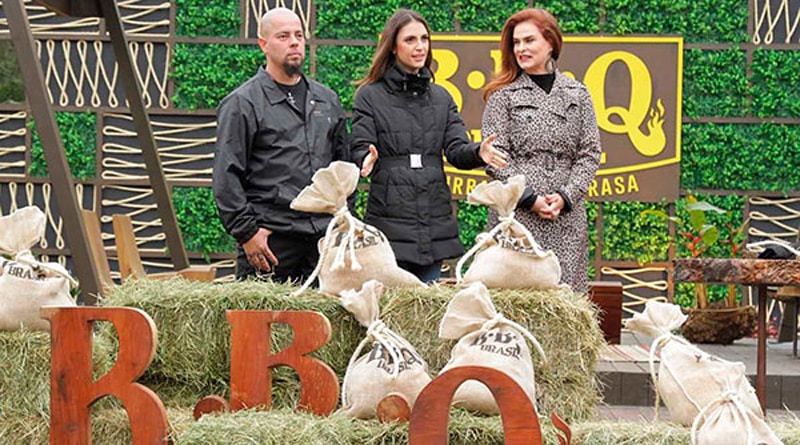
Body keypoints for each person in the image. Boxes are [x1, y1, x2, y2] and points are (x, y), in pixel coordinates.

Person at [351, 9, 508, 283]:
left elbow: (457, 149)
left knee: (426, 310)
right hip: (389, 218)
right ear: (392, 47)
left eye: (424, 38)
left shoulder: (441, 97)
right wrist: (364, 157)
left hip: (433, 216)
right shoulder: (369, 95)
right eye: (410, 39)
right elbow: (360, 143)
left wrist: (477, 152)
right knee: (392, 309)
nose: (420, 46)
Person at [213, 8, 349, 282]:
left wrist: (341, 224)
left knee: (322, 325)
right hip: (270, 242)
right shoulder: (242, 103)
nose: (295, 42)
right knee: (263, 324)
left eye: (299, 35)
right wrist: (247, 234)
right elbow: (226, 177)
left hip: (321, 243)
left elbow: (342, 169)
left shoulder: (327, 100)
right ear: (263, 44)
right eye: (284, 36)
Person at [481, 8, 601, 293]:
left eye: (529, 41)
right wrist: (529, 198)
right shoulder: (502, 97)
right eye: (516, 42)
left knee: (566, 298)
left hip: (565, 215)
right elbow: (495, 157)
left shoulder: (578, 94)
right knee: (515, 298)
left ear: (550, 43)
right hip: (517, 215)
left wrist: (566, 196)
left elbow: (590, 153)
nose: (521, 48)